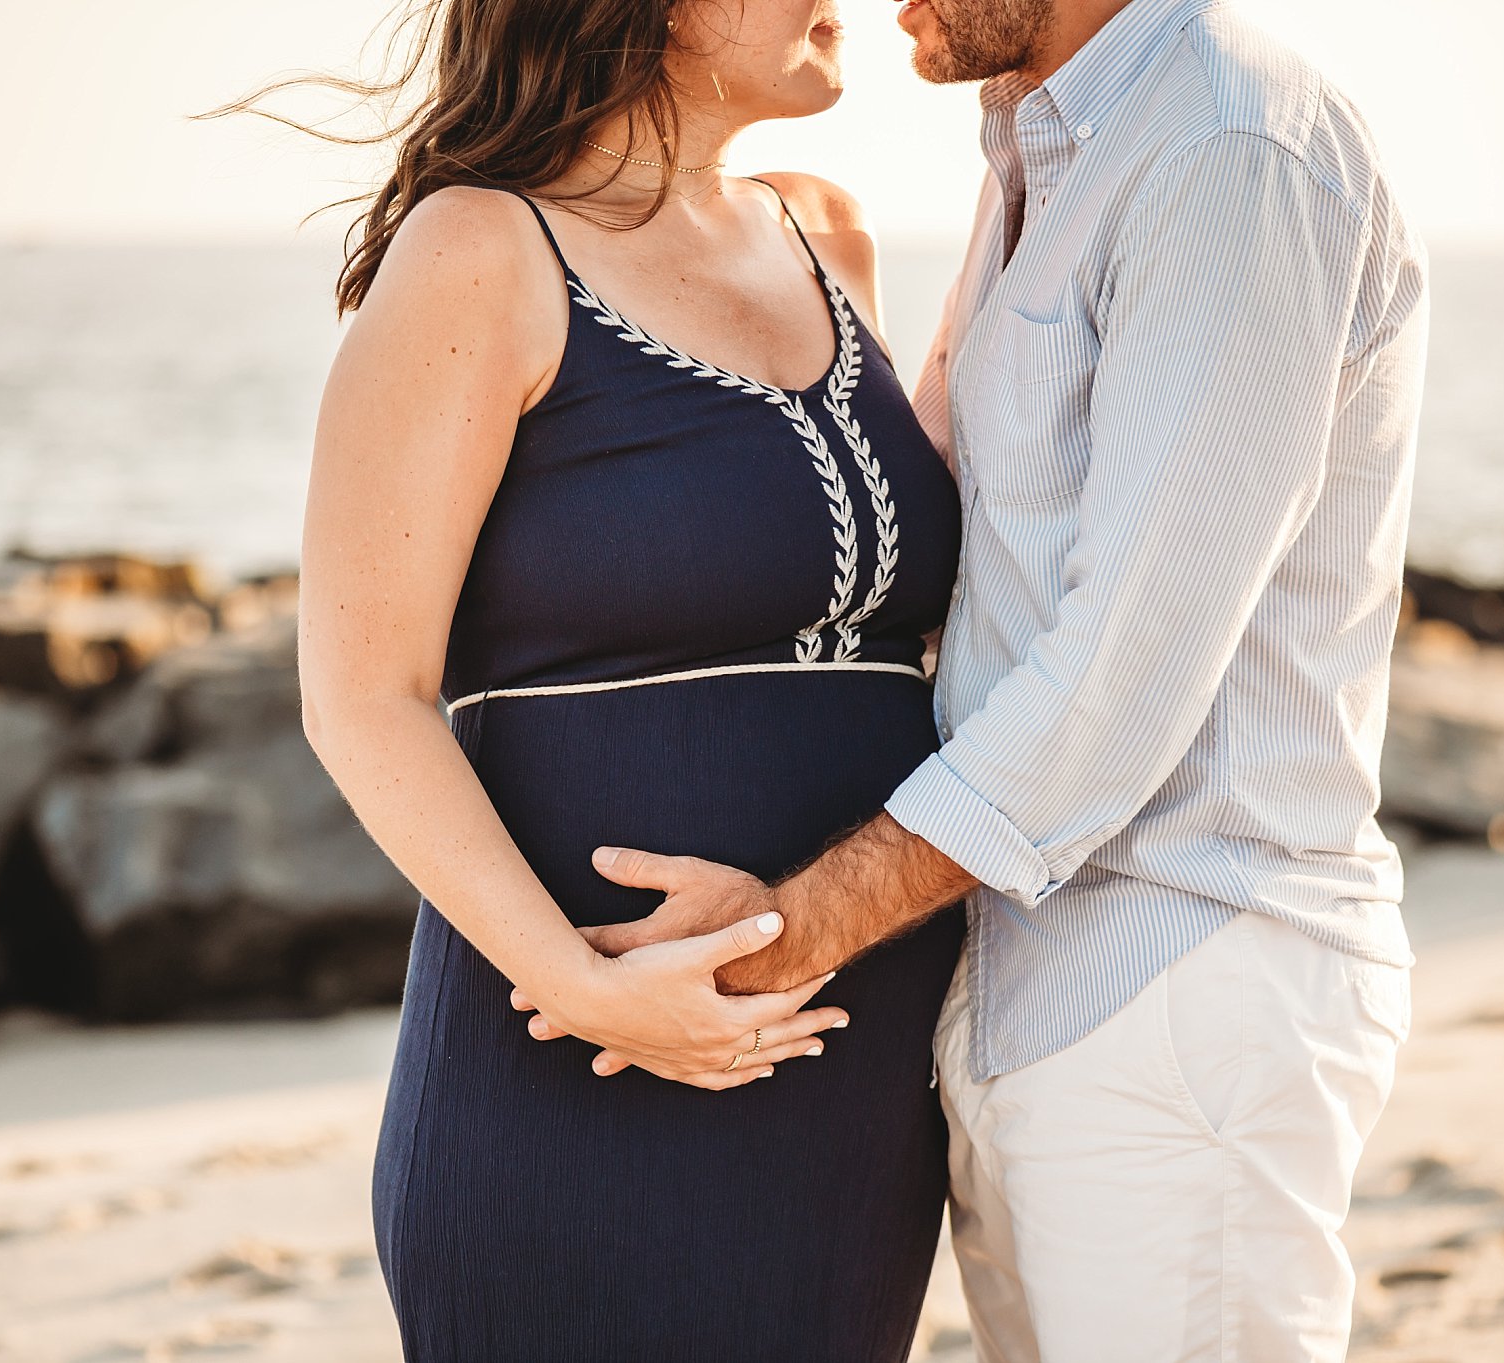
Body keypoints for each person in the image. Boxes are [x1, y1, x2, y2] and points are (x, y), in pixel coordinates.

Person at [523, 0, 1433, 1357]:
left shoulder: (1224, 153)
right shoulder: (1046, 149)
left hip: (1182, 982)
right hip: (1017, 985)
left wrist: (786, 931)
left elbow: (1119, 680)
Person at [292, 0, 968, 1356]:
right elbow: (362, 695)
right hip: (574, 1076)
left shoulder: (825, 230)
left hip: (850, 1080)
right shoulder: (482, 247)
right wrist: (585, 985)